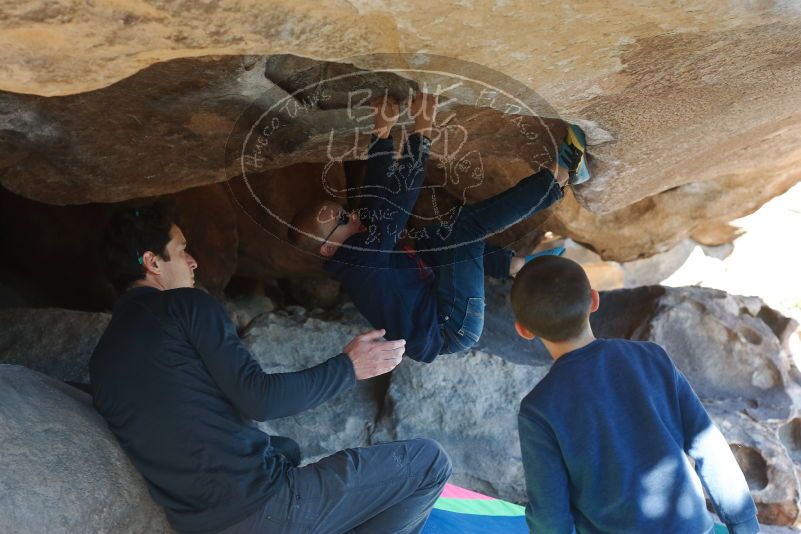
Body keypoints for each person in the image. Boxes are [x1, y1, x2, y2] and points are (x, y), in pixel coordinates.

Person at [90, 204, 452, 534]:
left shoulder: (103, 358)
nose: (193, 261)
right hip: (264, 508)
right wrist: (349, 367)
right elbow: (260, 400)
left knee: (287, 449)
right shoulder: (185, 306)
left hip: (205, 524)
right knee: (428, 462)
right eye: (182, 250)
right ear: (153, 262)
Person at [289, 91, 588, 363]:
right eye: (344, 220)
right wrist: (421, 130)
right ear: (328, 247)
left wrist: (382, 132)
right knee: (466, 227)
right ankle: (561, 174)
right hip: (452, 326)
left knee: (433, 240)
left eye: (346, 212)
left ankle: (516, 264)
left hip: (437, 302)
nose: (353, 217)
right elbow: (396, 204)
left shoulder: (354, 252)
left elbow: (374, 195)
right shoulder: (363, 262)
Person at [510, 256, 760, 533]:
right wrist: (744, 524)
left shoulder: (539, 408)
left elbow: (549, 517)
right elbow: (709, 446)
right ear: (594, 300)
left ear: (524, 330)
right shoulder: (653, 358)